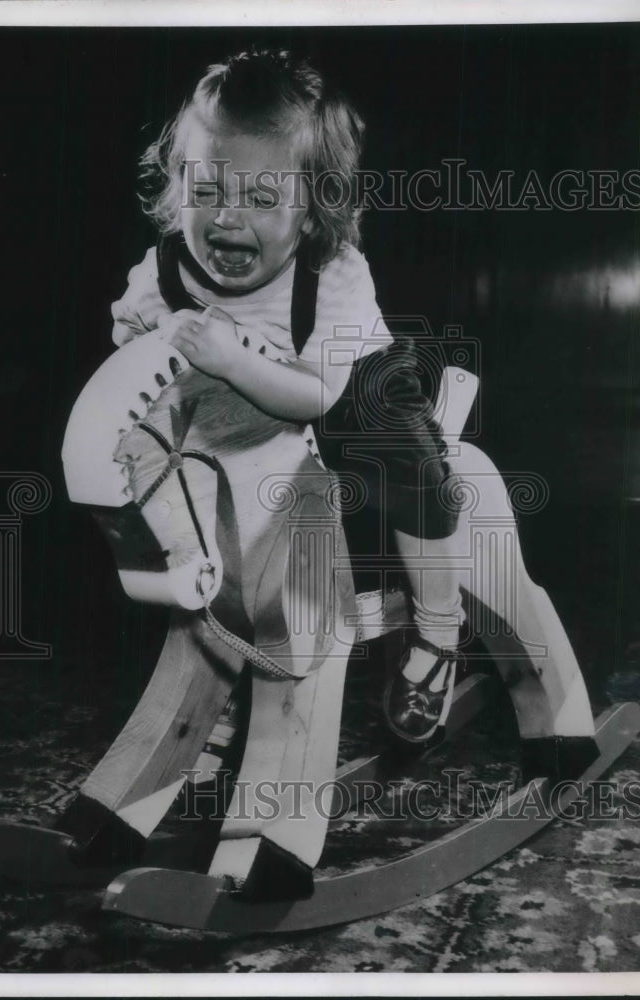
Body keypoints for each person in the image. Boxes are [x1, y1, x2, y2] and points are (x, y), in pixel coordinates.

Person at [111, 48, 464, 748]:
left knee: (405, 454)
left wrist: (235, 357)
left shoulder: (331, 273)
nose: (228, 219)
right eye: (206, 191)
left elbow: (315, 399)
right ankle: (225, 672)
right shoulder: (161, 276)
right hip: (236, 415)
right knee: (205, 500)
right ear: (177, 186)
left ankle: (439, 627)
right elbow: (126, 352)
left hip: (344, 388)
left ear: (312, 211)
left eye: (263, 198)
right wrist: (149, 359)